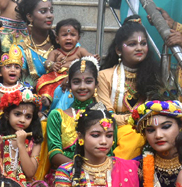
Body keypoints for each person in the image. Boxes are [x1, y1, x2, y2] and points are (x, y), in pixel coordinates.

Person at [99, 15, 162, 160]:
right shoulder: (104, 76)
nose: (139, 48)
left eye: (143, 43)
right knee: (133, 136)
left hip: (148, 126)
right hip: (115, 128)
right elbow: (107, 115)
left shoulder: (154, 75)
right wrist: (134, 118)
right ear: (118, 50)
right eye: (132, 44)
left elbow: (155, 108)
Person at [47, 57, 99, 169]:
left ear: (96, 84)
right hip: (66, 174)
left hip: (99, 175)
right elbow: (54, 154)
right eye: (76, 82)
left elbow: (109, 153)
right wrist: (80, 169)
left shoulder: (104, 115)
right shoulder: (57, 115)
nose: (82, 87)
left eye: (88, 81)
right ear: (69, 85)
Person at [0, 88, 43, 184]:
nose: (22, 120)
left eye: (28, 116)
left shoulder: (34, 141)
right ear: (7, 114)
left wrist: (21, 144)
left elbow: (30, 173)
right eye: (17, 114)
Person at [37, 18, 93, 106]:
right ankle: (47, 100)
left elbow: (90, 60)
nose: (68, 38)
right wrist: (52, 65)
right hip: (56, 78)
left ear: (78, 38)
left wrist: (94, 58)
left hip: (73, 77)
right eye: (64, 35)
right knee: (45, 83)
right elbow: (47, 62)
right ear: (57, 39)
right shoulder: (55, 52)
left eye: (72, 35)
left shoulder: (80, 51)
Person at [16, 0, 56, 80]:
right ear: (30, 17)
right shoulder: (22, 49)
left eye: (51, 11)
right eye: (43, 11)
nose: (50, 15)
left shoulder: (63, 41)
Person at [0, 44, 27, 116]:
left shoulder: (24, 90)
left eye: (17, 67)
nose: (13, 70)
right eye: (8, 66)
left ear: (20, 73)